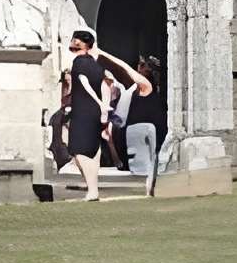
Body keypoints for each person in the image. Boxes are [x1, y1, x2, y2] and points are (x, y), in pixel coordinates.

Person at [57, 28, 148, 201]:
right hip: (96, 111)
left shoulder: (79, 62)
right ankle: (93, 188)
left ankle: (92, 189)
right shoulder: (96, 64)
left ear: (78, 43)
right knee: (93, 148)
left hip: (83, 109)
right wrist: (104, 106)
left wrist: (99, 103)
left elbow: (84, 84)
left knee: (78, 149)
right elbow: (105, 86)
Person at [123, 52, 169, 186]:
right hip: (140, 120)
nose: (143, 68)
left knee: (152, 148)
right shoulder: (134, 90)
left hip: (150, 118)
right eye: (142, 65)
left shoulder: (148, 85)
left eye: (144, 66)